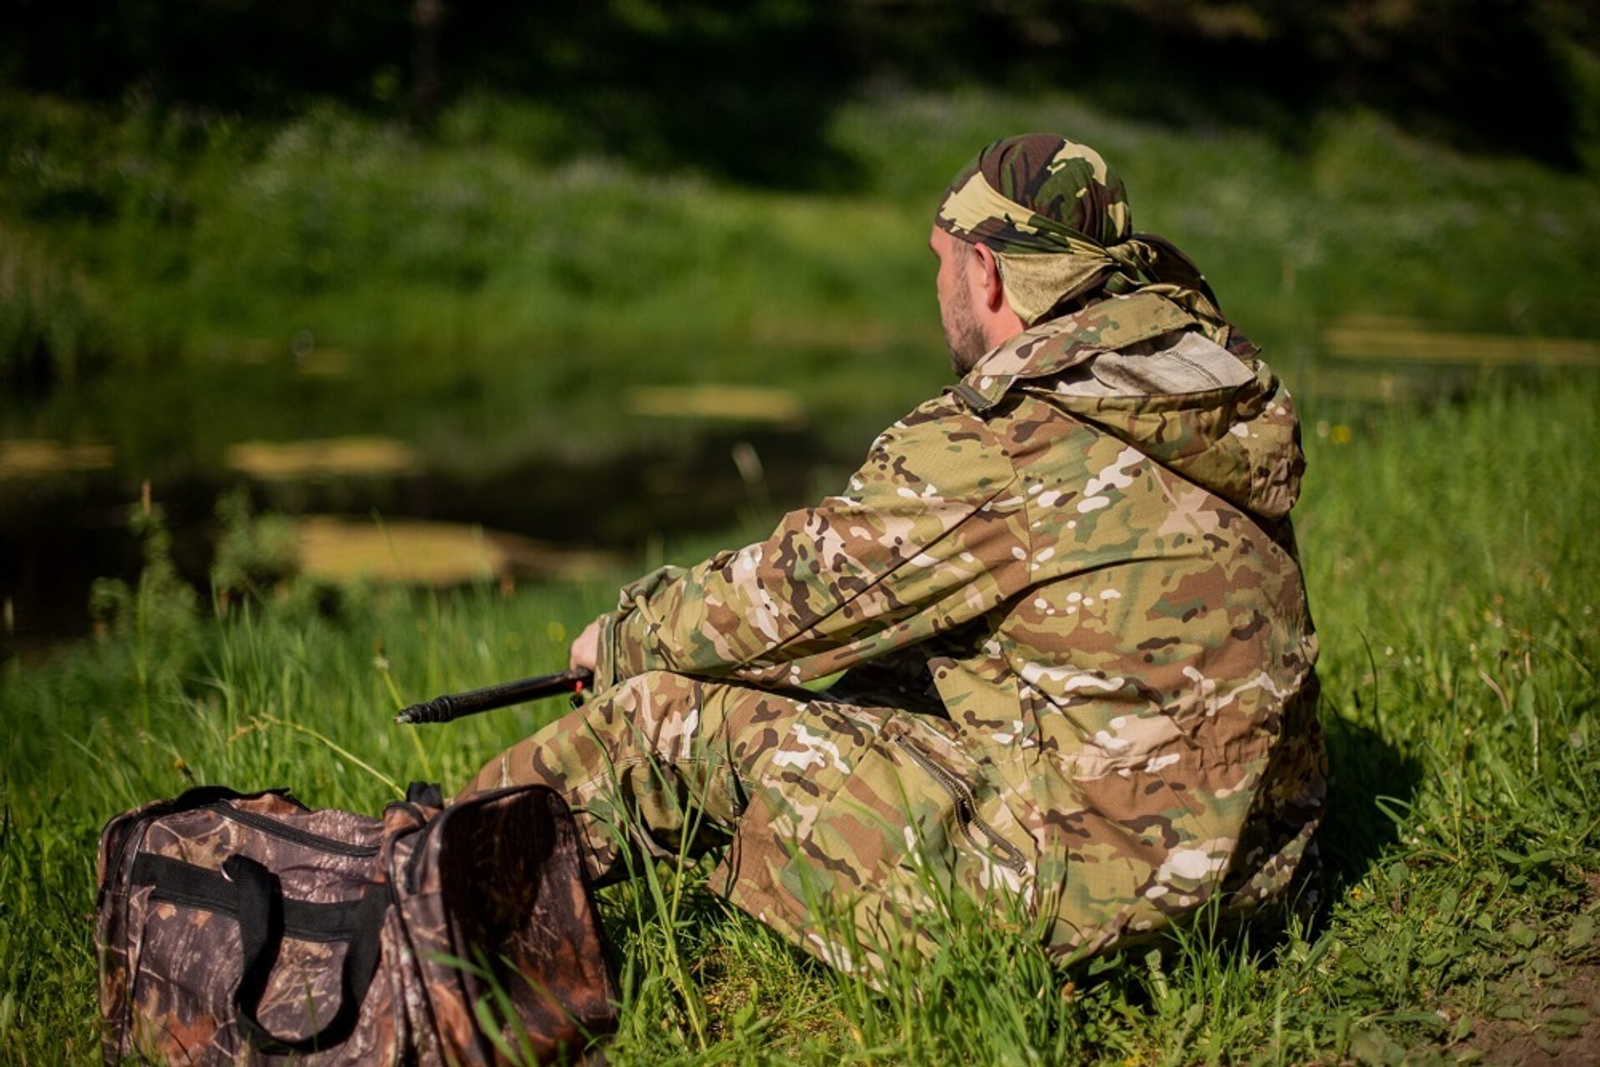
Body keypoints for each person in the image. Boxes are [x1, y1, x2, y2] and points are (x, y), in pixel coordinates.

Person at [467, 133, 1325, 973]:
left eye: (939, 260)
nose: (938, 284)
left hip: (1107, 901)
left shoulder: (1004, 437)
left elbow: (793, 596)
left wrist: (621, 639)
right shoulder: (1196, 387)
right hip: (1260, 875)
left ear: (985, 273)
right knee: (897, 670)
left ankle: (419, 894)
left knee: (663, 719)